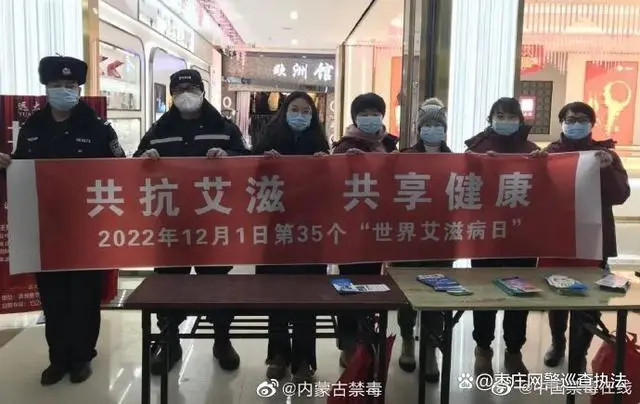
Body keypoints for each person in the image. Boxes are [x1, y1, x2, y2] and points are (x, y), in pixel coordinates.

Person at [0, 56, 125, 385]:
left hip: (87, 229)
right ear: (45, 87)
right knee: (53, 297)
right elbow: (22, 170)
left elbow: (120, 168)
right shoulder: (32, 127)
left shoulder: (98, 127)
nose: (64, 90)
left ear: (79, 88)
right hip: (46, 229)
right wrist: (8, 165)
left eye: (70, 85)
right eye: (57, 85)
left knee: (84, 296)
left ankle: (82, 356)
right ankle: (58, 358)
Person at [133, 69, 249, 375]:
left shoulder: (223, 126)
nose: (186, 95)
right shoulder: (160, 129)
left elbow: (246, 159)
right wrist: (146, 156)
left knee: (217, 284)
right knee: (169, 284)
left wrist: (227, 154)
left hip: (214, 222)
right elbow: (135, 162)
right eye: (180, 90)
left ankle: (222, 341)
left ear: (202, 91)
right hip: (171, 223)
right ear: (172, 94)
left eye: (192, 88)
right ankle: (169, 342)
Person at [539, 102, 630, 371]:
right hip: (556, 236)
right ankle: (558, 342)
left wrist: (607, 168)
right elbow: (535, 193)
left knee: (588, 297)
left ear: (591, 124)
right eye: (570, 119)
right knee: (556, 292)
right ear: (562, 123)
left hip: (594, 237)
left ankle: (579, 353)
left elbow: (620, 195)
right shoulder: (549, 154)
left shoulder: (605, 155)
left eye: (581, 119)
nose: (575, 124)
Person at [252, 92, 330, 382]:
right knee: (277, 296)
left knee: (308, 298)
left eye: (306, 111)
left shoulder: (320, 145)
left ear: (313, 117)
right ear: (284, 112)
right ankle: (278, 356)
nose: (300, 115)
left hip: (310, 234)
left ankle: (304, 359)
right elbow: (250, 180)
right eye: (294, 109)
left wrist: (327, 165)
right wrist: (264, 162)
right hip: (276, 232)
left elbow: (332, 190)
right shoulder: (268, 141)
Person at [465, 97, 539, 376]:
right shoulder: (476, 148)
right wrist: (476, 164)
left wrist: (544, 165)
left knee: (520, 296)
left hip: (523, 236)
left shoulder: (532, 150)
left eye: (511, 116)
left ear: (520, 120)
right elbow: (461, 187)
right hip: (487, 235)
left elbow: (547, 189)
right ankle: (483, 349)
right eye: (500, 115)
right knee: (485, 295)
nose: (505, 121)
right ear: (490, 119)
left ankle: (514, 351)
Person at [391, 98, 453, 380]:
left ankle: (430, 349)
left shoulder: (456, 160)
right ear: (418, 128)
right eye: (428, 125)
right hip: (408, 238)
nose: (433, 129)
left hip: (441, 237)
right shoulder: (403, 157)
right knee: (408, 294)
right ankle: (407, 341)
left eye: (438, 125)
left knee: (436, 294)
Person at [332, 93, 395, 367]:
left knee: (372, 286)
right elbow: (331, 181)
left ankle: (367, 340)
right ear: (355, 118)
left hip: (378, 227)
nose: (370, 118)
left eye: (375, 113)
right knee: (349, 287)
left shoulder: (389, 144)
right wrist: (345, 163)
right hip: (349, 229)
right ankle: (348, 344)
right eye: (364, 114)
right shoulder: (344, 146)